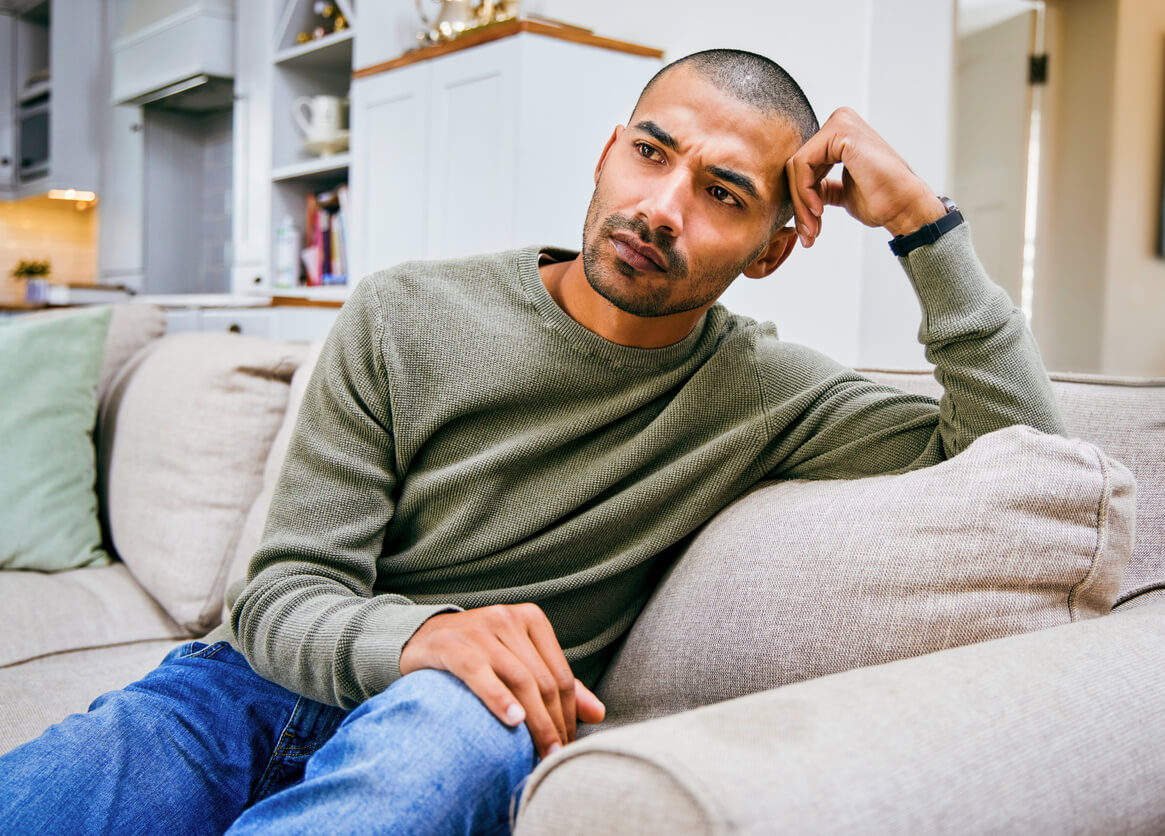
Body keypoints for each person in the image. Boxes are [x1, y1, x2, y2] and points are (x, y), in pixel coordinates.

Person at [0, 48, 1064, 834]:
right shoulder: (405, 312)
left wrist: (922, 223)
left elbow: (1025, 462)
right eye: (651, 153)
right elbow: (279, 596)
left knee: (469, 716)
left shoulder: (761, 391)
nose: (660, 207)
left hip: (468, 721)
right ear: (609, 152)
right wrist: (425, 632)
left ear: (771, 248)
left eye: (721, 193)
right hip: (238, 693)